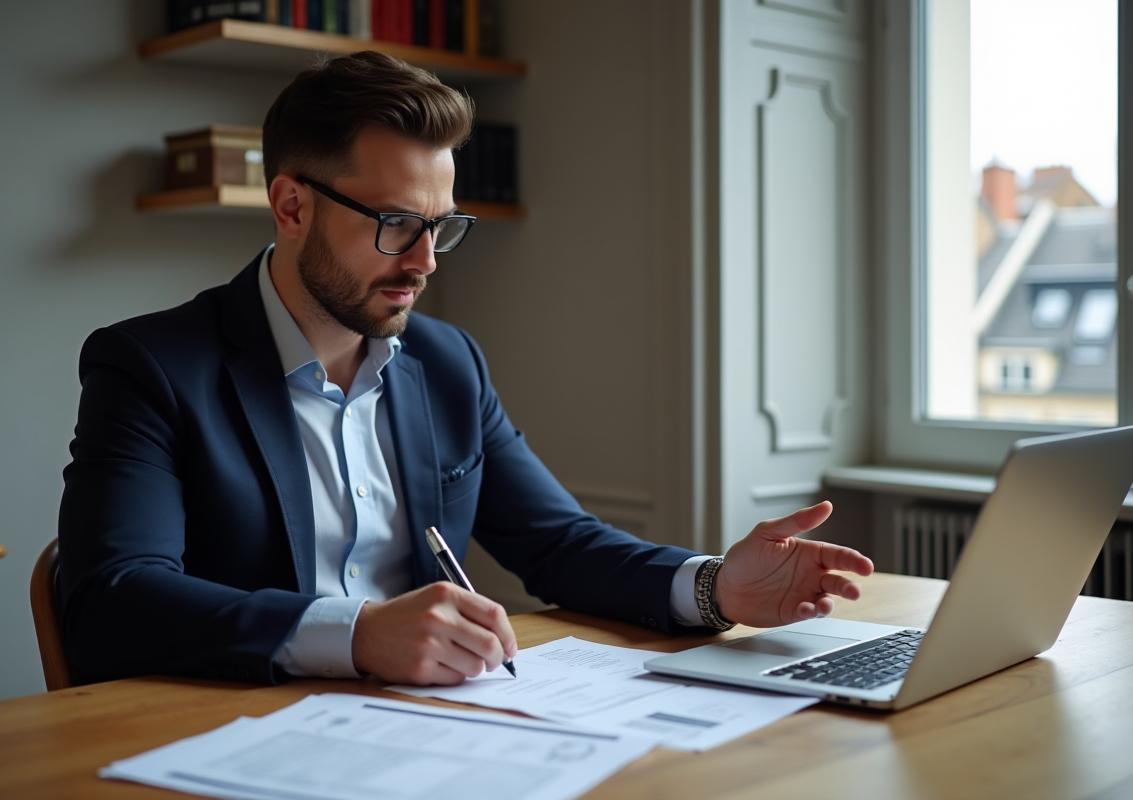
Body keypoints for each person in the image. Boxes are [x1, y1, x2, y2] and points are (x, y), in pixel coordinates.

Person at [57, 51, 872, 687]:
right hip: (219, 732)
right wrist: (353, 633)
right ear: (292, 205)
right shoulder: (152, 366)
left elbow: (557, 544)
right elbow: (112, 597)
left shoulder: (447, 363)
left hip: (423, 728)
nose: (424, 262)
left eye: (441, 228)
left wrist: (715, 588)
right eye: (396, 224)